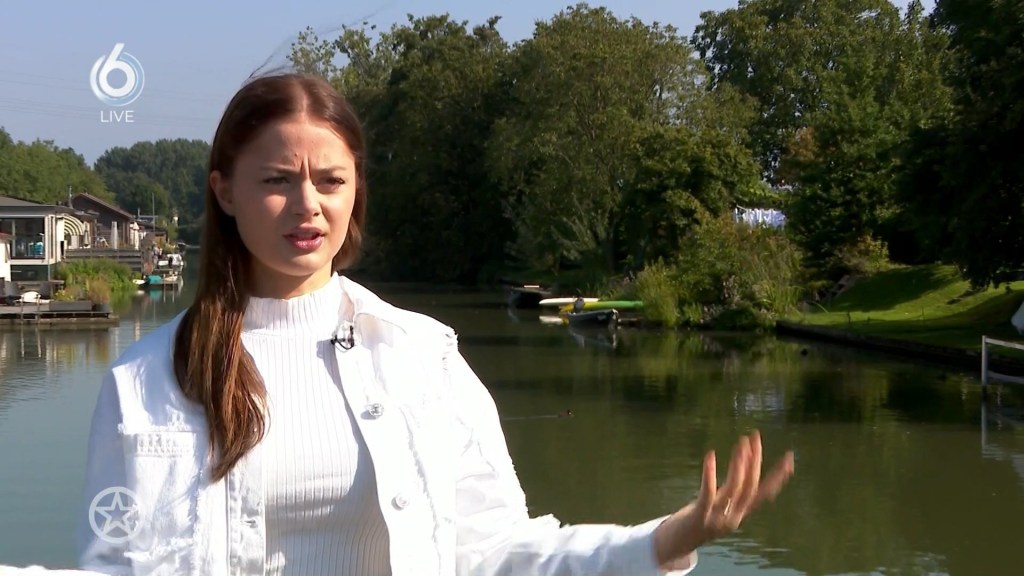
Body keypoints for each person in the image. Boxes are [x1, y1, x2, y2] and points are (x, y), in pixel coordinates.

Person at [76, 72, 795, 576]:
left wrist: (668, 538)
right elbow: (111, 564)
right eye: (276, 180)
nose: (307, 205)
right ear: (225, 191)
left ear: (356, 192)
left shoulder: (422, 356)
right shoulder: (146, 380)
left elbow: (498, 553)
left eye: (331, 181)